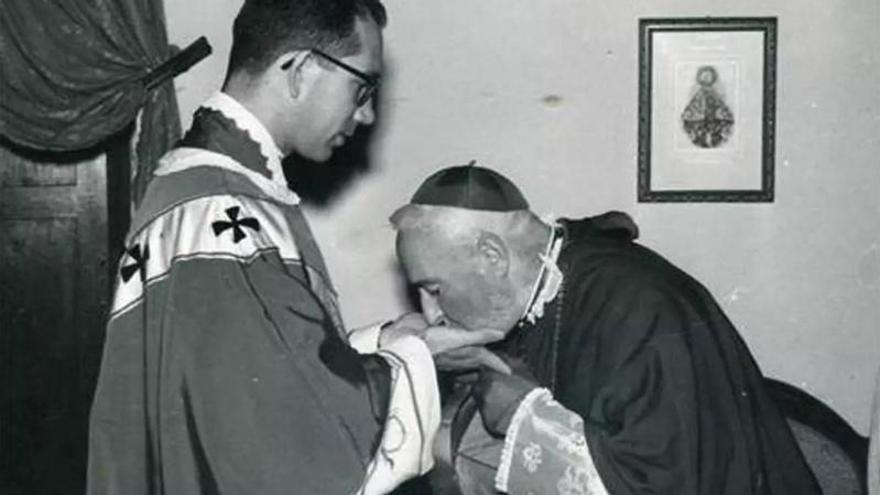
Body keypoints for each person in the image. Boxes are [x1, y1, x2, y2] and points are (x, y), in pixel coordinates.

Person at [87, 2, 501, 494]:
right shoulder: (220, 210)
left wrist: (387, 341)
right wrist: (418, 358)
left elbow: (262, 371)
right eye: (362, 87)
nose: (366, 114)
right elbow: (293, 440)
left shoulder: (215, 191)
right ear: (301, 68)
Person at [390, 164, 822, 494]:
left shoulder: (639, 307)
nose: (432, 314)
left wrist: (526, 415)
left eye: (433, 289)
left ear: (491, 255)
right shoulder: (548, 286)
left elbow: (664, 483)